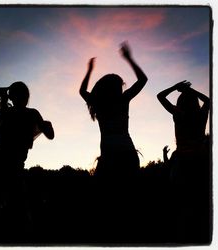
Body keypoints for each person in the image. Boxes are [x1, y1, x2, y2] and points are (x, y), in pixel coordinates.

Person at [79, 42, 148, 177]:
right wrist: (129, 58)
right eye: (119, 86)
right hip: (125, 155)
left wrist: (89, 70)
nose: (121, 88)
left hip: (110, 156)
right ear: (112, 88)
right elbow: (143, 79)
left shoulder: (99, 103)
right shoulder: (122, 100)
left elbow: (82, 91)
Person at [157, 81, 210, 242]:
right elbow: (208, 101)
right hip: (199, 163)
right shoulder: (201, 115)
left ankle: (181, 235)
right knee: (199, 201)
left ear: (180, 103)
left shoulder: (178, 114)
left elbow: (160, 96)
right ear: (195, 102)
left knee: (181, 201)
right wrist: (190, 90)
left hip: (182, 163)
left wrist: (175, 87)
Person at [0, 81, 54, 173]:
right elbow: (51, 136)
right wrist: (46, 125)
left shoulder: (6, 111)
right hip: (10, 163)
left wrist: (1, 112)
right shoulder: (32, 113)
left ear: (11, 97)